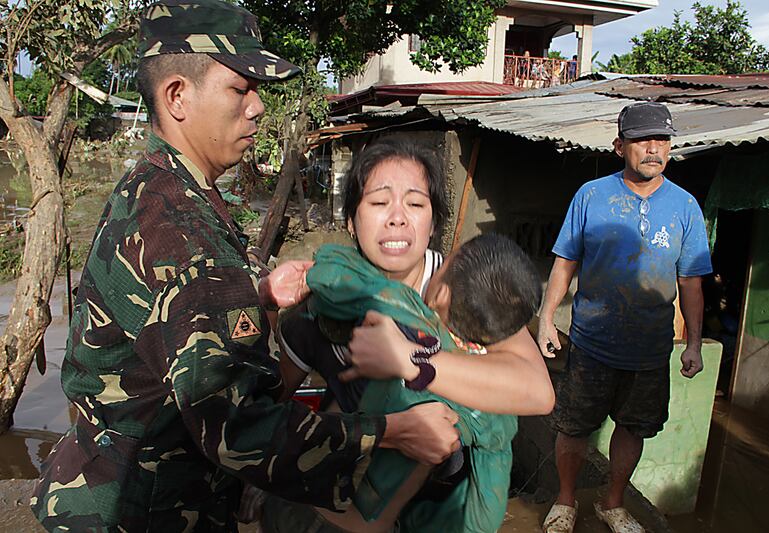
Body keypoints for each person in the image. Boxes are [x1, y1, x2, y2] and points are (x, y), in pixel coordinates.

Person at [30, 2, 460, 531]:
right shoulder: (182, 232)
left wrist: (253, 295)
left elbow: (159, 319)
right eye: (240, 89)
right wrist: (392, 431)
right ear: (178, 96)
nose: (257, 107)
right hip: (143, 512)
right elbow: (237, 431)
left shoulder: (158, 186)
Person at [259, 140, 555, 530]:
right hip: (353, 493)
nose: (397, 218)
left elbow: (537, 391)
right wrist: (264, 299)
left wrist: (413, 361)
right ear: (351, 219)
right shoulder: (322, 304)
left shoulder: (469, 288)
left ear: (434, 224)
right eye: (379, 203)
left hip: (444, 508)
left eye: (415, 204)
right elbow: (265, 408)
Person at [537, 101, 712, 533]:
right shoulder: (592, 196)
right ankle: (565, 501)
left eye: (661, 141)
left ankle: (612, 504)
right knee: (574, 426)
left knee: (633, 428)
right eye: (642, 141)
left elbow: (691, 282)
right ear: (620, 146)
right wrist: (544, 320)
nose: (653, 149)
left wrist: (692, 342)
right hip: (592, 342)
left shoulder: (685, 207)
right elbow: (565, 262)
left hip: (651, 349)